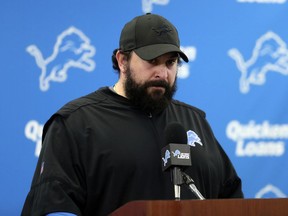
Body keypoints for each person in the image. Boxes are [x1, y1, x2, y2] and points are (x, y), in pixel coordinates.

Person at [22, 13, 243, 216]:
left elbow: (232, 198)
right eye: (152, 61)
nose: (162, 73)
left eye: (170, 62)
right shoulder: (77, 122)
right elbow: (53, 206)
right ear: (122, 61)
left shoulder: (194, 121)